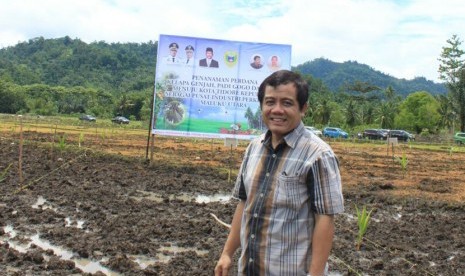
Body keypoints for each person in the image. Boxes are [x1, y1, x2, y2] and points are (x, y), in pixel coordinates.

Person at [214, 70, 344, 276]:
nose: (277, 110)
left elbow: (325, 219)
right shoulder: (254, 148)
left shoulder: (318, 155)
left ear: (303, 109)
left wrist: (316, 274)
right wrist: (227, 253)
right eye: (270, 102)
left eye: (287, 103)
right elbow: (244, 203)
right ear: (262, 106)